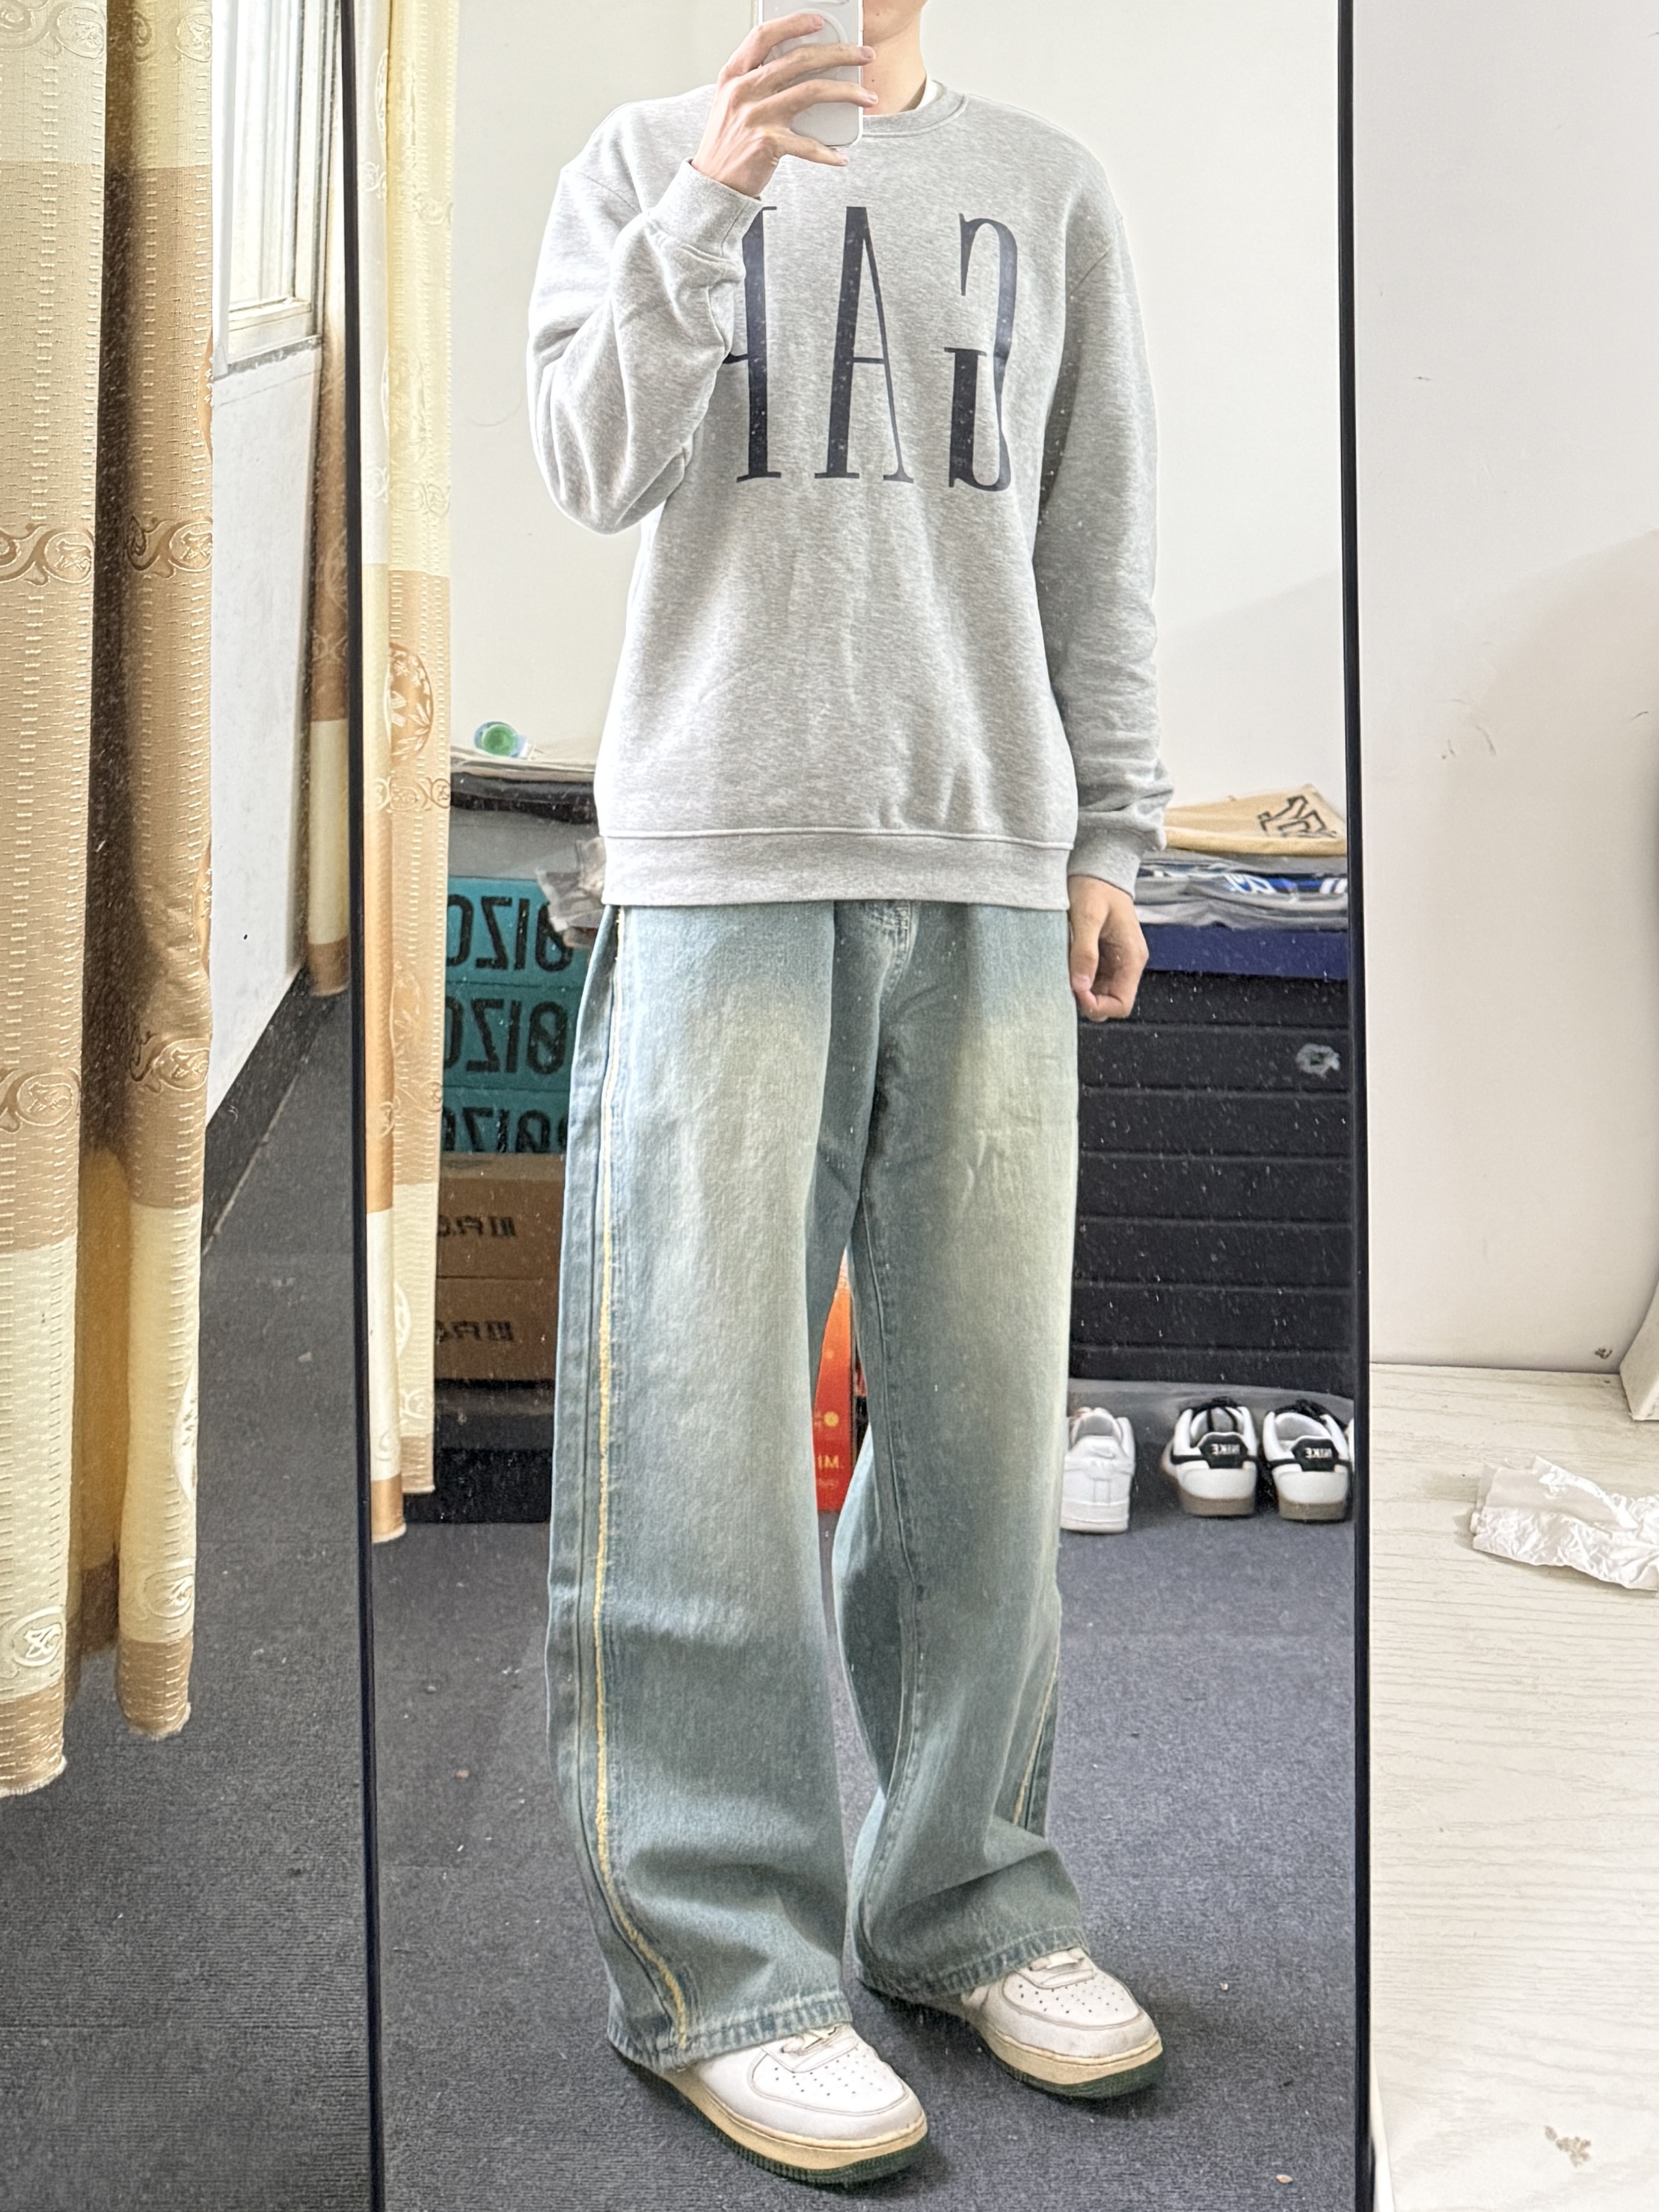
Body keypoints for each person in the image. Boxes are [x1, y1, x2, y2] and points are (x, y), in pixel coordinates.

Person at [527, 0, 1172, 2185]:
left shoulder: (1050, 189)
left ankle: (963, 1901)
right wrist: (712, 198)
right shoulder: (641, 161)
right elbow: (590, 462)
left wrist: (1113, 833)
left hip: (987, 865)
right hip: (720, 862)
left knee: (983, 1434)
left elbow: (1097, 528)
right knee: (696, 1443)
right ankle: (724, 1968)